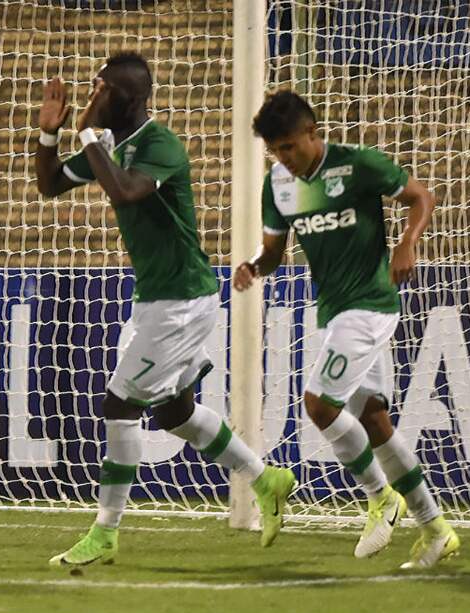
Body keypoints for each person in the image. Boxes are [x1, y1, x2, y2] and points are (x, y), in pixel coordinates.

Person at [35, 52, 296, 568]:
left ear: (126, 98)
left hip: (181, 300)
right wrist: (48, 136)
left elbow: (128, 192)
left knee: (120, 404)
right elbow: (50, 185)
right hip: (157, 297)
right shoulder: (108, 142)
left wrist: (88, 137)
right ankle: (268, 479)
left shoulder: (160, 143)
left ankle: (105, 533)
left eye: (101, 90)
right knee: (175, 413)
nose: (91, 98)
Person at [234, 90, 458, 569]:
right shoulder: (277, 184)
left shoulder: (356, 165)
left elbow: (422, 196)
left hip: (371, 304)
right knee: (374, 421)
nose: (284, 158)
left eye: (290, 146)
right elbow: (275, 252)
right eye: (276, 150)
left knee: (318, 404)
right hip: (334, 310)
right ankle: (436, 529)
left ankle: (380, 497)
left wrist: (406, 244)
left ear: (312, 134)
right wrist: (255, 265)